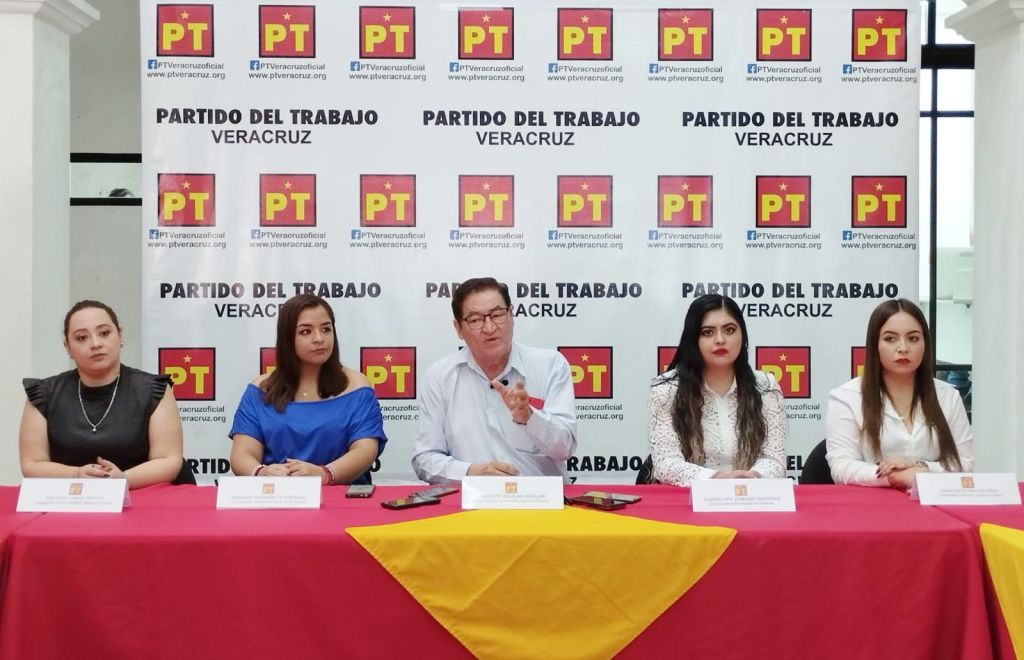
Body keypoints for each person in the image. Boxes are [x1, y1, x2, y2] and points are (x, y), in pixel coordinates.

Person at [412, 277, 577, 483]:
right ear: (458, 328)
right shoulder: (439, 377)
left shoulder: (550, 365)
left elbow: (565, 449)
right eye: (475, 320)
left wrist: (529, 418)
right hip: (470, 499)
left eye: (497, 315)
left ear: (511, 315)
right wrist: (471, 473)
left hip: (541, 497)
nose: (489, 328)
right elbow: (425, 459)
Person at [19, 300, 188, 488]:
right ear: (67, 347)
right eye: (82, 338)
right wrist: (75, 474)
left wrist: (124, 479)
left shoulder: (153, 390)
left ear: (120, 335)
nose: (96, 344)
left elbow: (168, 459)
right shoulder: (43, 395)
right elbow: (32, 464)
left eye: (104, 333)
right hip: (72, 496)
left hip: (142, 493)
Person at [229, 294, 385, 485]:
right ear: (287, 338)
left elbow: (365, 449)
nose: (319, 338)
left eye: (326, 329)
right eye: (305, 332)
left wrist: (324, 474)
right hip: (276, 494)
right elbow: (242, 454)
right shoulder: (260, 390)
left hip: (341, 495)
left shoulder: (357, 387)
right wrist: (262, 472)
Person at [826, 298, 973, 488]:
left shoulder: (948, 396)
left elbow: (965, 463)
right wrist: (892, 477)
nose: (903, 348)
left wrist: (921, 470)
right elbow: (841, 466)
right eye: (890, 339)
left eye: (913, 338)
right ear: (875, 345)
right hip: (872, 500)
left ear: (925, 344)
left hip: (931, 500)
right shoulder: (846, 397)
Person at [649, 294, 787, 486]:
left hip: (751, 495)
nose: (720, 340)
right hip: (689, 498)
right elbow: (666, 464)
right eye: (708, 332)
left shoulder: (765, 387)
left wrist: (750, 477)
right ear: (693, 339)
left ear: (742, 334)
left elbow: (774, 459)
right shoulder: (667, 390)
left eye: (729, 330)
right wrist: (720, 479)